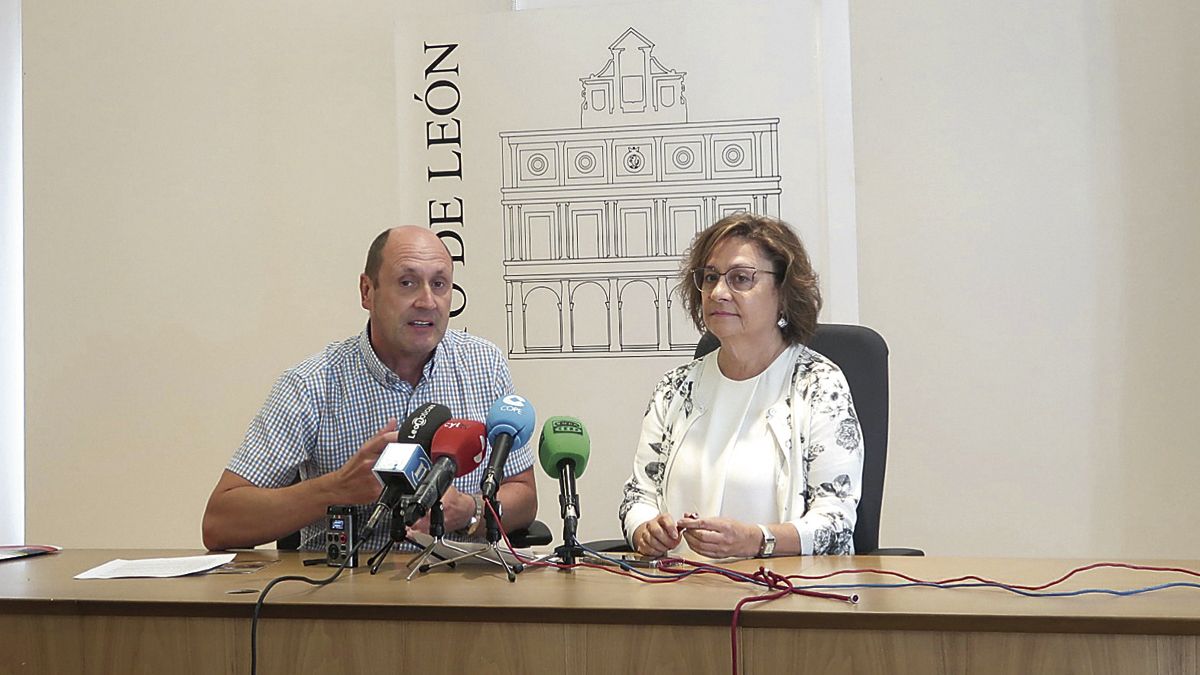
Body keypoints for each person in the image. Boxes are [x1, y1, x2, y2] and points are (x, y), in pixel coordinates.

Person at [202, 225, 537, 551]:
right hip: (350, 596)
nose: (427, 301)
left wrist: (469, 511)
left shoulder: (483, 365)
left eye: (439, 284)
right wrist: (334, 490)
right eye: (407, 283)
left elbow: (522, 494)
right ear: (367, 292)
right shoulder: (312, 383)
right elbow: (220, 523)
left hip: (459, 593)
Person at [619, 213, 862, 558]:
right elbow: (637, 498)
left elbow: (836, 524)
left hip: (784, 597)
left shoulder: (819, 385)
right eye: (710, 277)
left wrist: (758, 540)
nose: (718, 292)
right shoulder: (675, 389)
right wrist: (647, 530)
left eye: (741, 279)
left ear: (783, 292)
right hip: (677, 594)